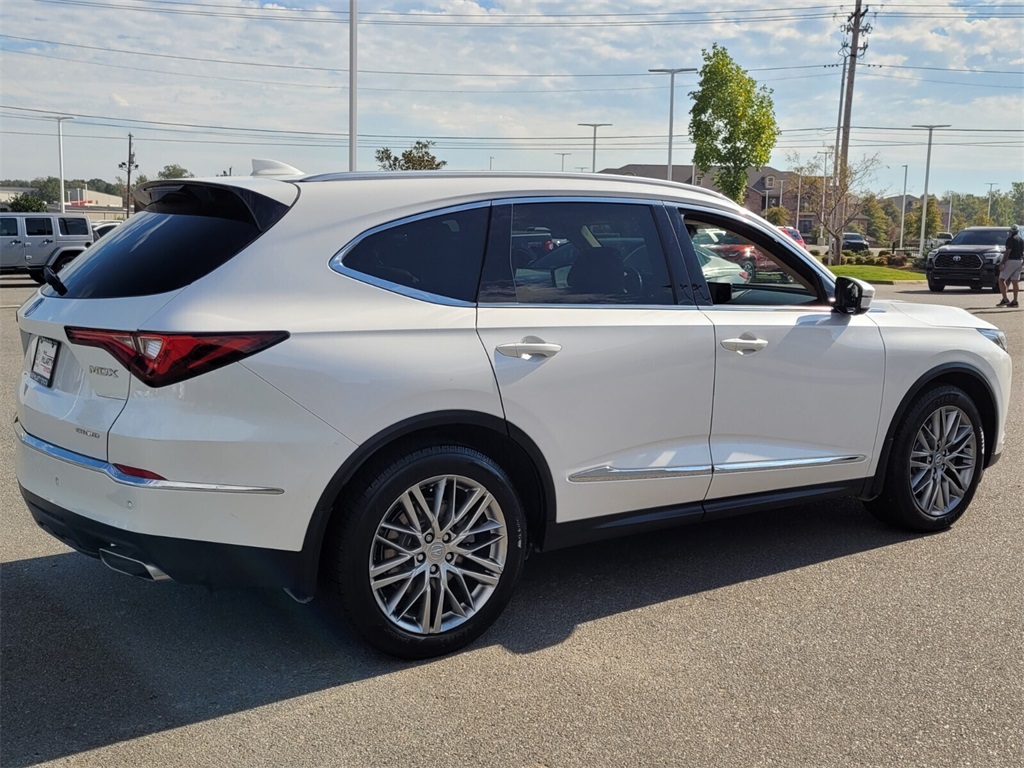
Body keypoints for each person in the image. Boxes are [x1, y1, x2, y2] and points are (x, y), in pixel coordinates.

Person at [997, 224, 1024, 307]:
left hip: (1011, 261)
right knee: (1015, 282)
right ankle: (1015, 301)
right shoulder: (1021, 240)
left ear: (1011, 231)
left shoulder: (1010, 239)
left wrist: (1002, 262)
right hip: (1019, 261)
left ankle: (1005, 299)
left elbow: (1008, 251)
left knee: (1001, 279)